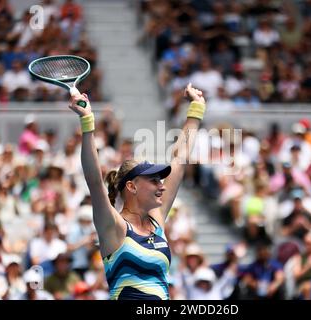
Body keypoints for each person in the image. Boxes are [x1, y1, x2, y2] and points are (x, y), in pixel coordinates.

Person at [67, 83, 207, 300]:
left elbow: (180, 159)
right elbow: (94, 181)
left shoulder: (156, 221)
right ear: (131, 186)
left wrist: (195, 110)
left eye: (160, 180)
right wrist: (87, 122)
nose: (162, 185)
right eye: (153, 180)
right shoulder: (113, 226)